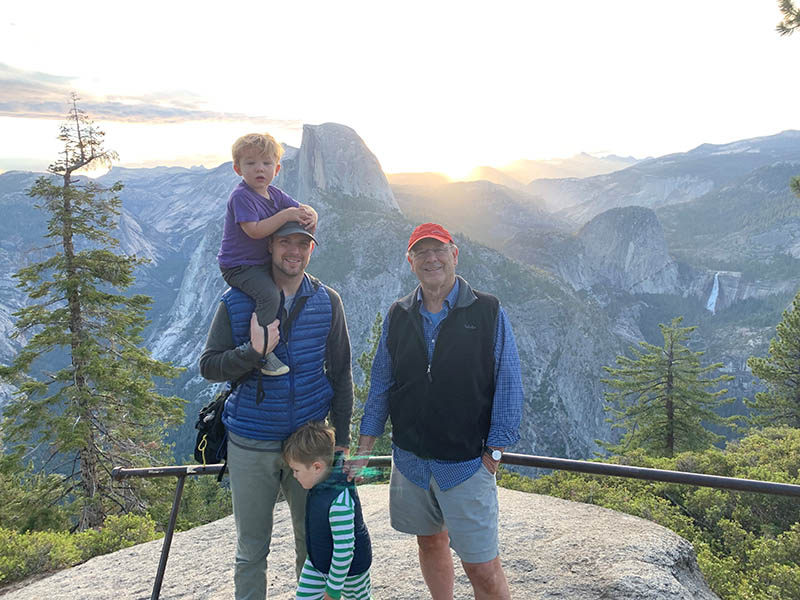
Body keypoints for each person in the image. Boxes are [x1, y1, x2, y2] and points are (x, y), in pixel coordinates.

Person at [347, 222, 523, 600]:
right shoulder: (398, 315)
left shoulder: (488, 311)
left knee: (482, 566)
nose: (431, 258)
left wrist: (494, 452)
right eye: (421, 252)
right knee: (429, 543)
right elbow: (380, 386)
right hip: (411, 463)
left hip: (465, 464)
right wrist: (364, 452)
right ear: (411, 262)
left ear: (454, 254)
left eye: (438, 249)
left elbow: (509, 383)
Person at [200, 220, 354, 600]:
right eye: (286, 242)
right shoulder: (236, 301)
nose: (294, 251)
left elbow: (341, 373)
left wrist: (344, 440)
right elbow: (209, 365)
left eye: (303, 244)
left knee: (314, 542)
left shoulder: (327, 300)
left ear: (312, 249)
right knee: (252, 548)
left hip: (310, 442)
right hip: (251, 440)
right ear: (270, 245)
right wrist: (253, 354)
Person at [217, 132, 317, 376]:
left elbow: (299, 209)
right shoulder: (241, 196)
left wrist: (312, 214)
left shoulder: (275, 194)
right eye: (251, 163)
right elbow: (254, 231)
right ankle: (263, 352)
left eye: (266, 163)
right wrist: (285, 216)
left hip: (259, 263)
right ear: (238, 169)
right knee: (270, 296)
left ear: (277, 168)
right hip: (239, 266)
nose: (259, 169)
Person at [284, 422, 373, 600]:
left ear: (317, 467)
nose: (294, 475)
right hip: (318, 563)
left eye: (296, 470)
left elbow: (344, 551)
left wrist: (332, 591)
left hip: (351, 572)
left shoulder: (340, 502)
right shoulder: (318, 487)